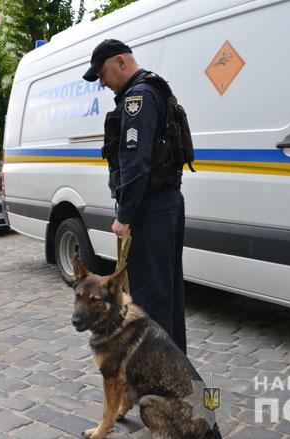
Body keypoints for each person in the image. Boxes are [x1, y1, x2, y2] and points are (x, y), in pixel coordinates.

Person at [83, 39, 188, 353]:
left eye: (102, 74)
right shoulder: (155, 89)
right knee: (166, 295)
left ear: (120, 61)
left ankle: (159, 378)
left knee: (149, 299)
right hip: (165, 203)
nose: (102, 82)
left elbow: (135, 161)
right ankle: (176, 372)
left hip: (149, 209)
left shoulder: (137, 97)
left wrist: (124, 215)